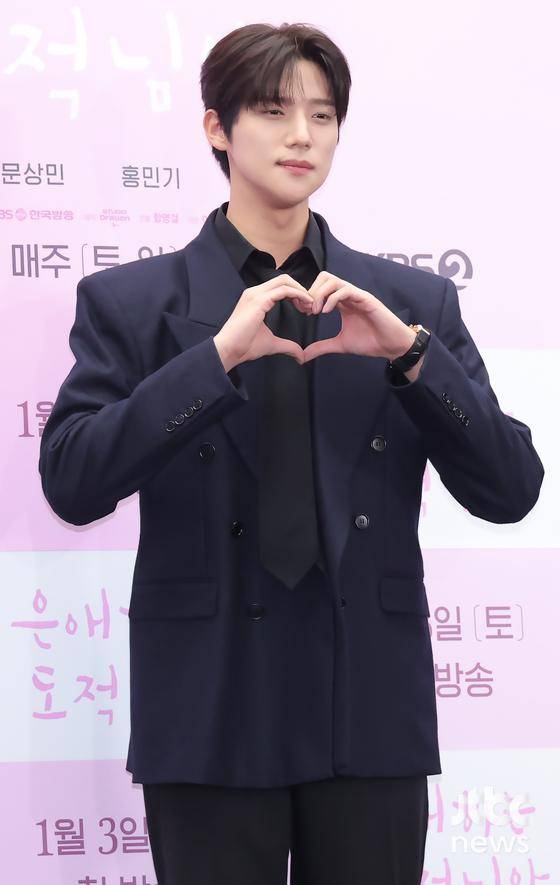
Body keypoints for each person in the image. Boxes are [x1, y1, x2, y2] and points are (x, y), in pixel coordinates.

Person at [38, 21, 545, 885]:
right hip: (208, 706)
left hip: (369, 709)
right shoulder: (134, 303)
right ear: (217, 127)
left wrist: (411, 358)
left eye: (323, 114)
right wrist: (211, 361)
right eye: (274, 111)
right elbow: (73, 480)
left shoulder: (409, 303)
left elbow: (512, 487)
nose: (302, 135)